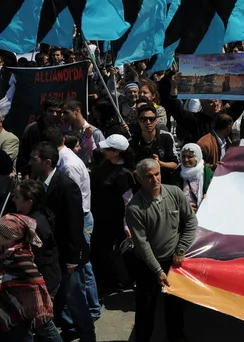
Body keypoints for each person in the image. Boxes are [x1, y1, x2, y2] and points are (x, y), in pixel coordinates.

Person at [29, 142, 96, 341]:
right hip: (51, 253)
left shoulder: (66, 185)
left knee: (74, 297)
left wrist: (73, 259)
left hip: (68, 256)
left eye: (34, 159)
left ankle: (87, 335)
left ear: (47, 162)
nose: (30, 162)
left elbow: (75, 224)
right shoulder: (38, 182)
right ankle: (69, 328)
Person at [125, 159, 198, 342]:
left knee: (175, 308)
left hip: (173, 263)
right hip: (148, 266)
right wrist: (157, 270)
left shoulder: (175, 193)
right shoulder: (134, 208)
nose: (155, 179)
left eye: (157, 174)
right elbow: (142, 244)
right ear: (140, 179)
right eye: (149, 176)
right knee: (145, 310)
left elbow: (190, 222)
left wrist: (180, 250)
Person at [0, 213, 62, 342]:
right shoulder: (12, 249)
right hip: (20, 308)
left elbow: (36, 282)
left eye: (0, 231)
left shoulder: (19, 256)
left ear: (11, 237)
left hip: (24, 309)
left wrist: (39, 306)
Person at [91, 134, 136, 295]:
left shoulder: (124, 174)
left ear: (116, 152)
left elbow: (128, 202)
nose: (103, 150)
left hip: (114, 220)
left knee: (116, 252)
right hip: (100, 217)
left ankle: (120, 281)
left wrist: (126, 225)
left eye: (107, 148)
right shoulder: (106, 164)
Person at [13, 179, 61, 297]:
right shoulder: (36, 217)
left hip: (44, 281)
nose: (13, 199)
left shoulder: (35, 225)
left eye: (17, 197)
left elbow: (36, 255)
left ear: (29, 202)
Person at [17, 97, 62, 176]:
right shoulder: (33, 129)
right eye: (51, 111)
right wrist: (26, 176)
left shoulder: (59, 128)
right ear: (44, 112)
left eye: (58, 112)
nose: (54, 114)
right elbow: (24, 156)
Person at [62, 98, 105, 167]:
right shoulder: (64, 132)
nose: (63, 116)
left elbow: (103, 157)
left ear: (77, 111)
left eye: (66, 113)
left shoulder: (95, 133)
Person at [175, 143, 214, 212]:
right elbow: (172, 198)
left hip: (203, 212)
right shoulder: (177, 173)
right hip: (183, 215)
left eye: (190, 157)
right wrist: (183, 207)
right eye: (183, 156)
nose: (186, 160)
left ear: (197, 157)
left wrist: (208, 197)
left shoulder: (206, 173)